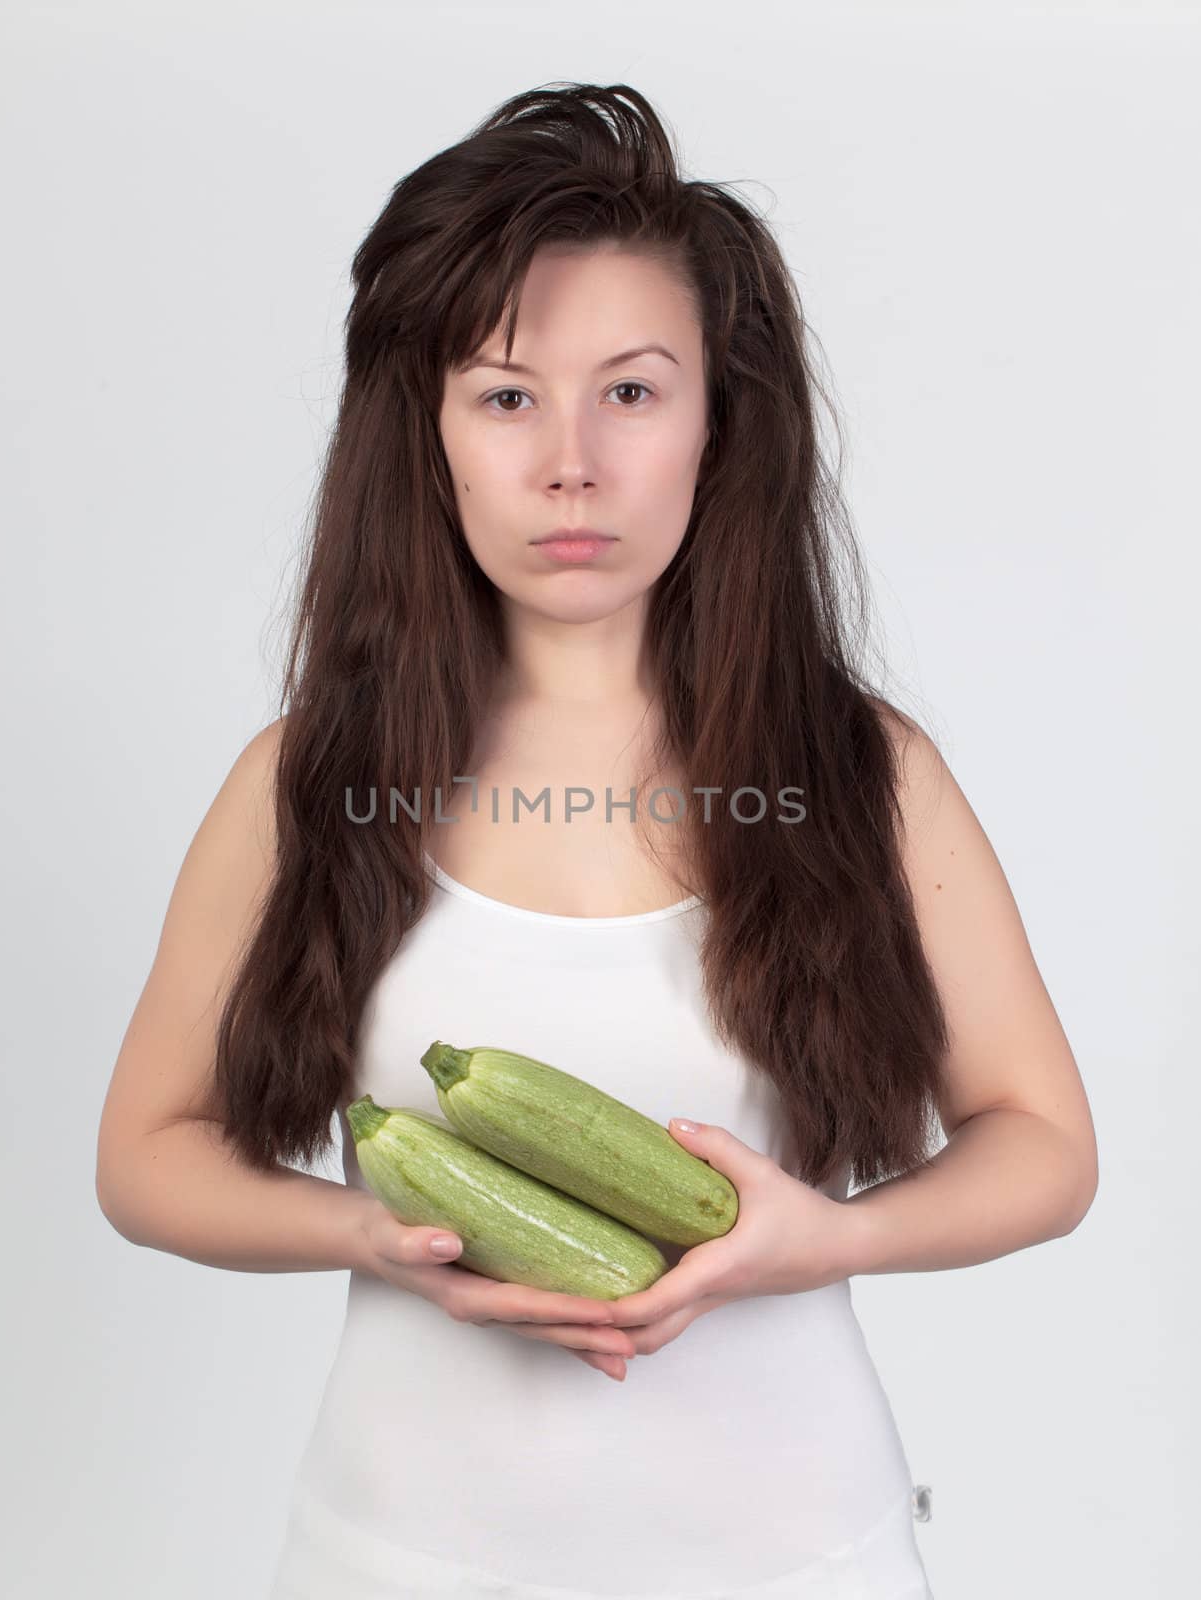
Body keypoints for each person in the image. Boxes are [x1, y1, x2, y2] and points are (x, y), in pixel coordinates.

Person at [95, 81, 1099, 1599]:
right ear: (426, 435)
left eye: (631, 391)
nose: (571, 461)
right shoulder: (305, 780)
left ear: (718, 420)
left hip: (801, 1559)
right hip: (393, 1559)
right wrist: (385, 1234)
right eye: (506, 395)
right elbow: (146, 1157)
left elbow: (1046, 1146)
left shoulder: (862, 772)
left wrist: (817, 1243)